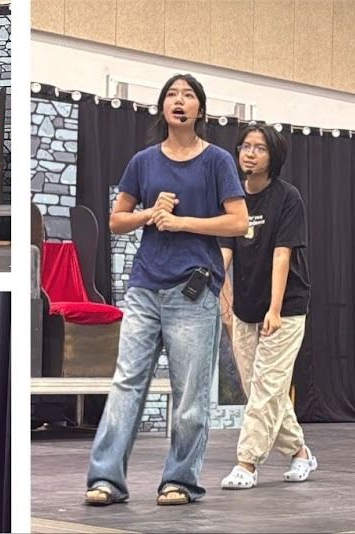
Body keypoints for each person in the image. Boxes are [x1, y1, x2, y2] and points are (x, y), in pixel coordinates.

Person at [84, 74, 248, 508]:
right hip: (144, 286)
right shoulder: (143, 162)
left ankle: (180, 481)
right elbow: (117, 220)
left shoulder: (217, 161)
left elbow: (238, 222)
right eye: (172, 95)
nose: (179, 101)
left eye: (188, 96)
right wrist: (149, 214)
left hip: (194, 290)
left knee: (190, 393)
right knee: (127, 383)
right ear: (162, 107)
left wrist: (181, 222)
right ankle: (106, 480)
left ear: (200, 109)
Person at [218, 124, 315, 490]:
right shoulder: (233, 200)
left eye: (259, 148)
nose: (250, 153)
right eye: (245, 146)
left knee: (267, 385)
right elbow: (224, 252)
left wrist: (274, 309)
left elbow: (281, 255)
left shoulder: (287, 197)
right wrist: (221, 298)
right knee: (259, 387)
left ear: (273, 156)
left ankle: (246, 463)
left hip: (285, 307)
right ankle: (300, 452)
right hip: (246, 306)